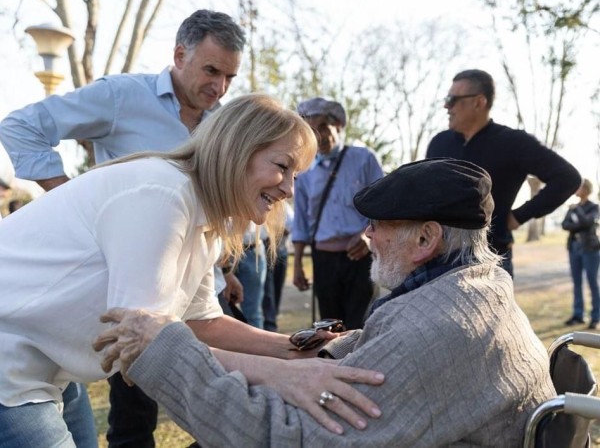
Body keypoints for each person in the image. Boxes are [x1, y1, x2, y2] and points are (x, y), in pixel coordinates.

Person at [0, 94, 386, 447]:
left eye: (296, 176)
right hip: (11, 366)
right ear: (237, 150)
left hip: (48, 369)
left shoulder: (204, 218)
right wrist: (279, 375)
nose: (289, 190)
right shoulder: (162, 195)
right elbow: (139, 343)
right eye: (283, 167)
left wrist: (292, 349)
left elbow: (201, 322)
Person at [94, 158, 556, 447]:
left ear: (425, 238)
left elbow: (289, 438)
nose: (367, 236)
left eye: (378, 224)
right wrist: (321, 351)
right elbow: (394, 348)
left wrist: (167, 353)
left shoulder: (435, 328)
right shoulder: (481, 285)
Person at [0, 9, 246, 446]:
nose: (219, 87)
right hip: (111, 294)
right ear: (179, 54)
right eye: (211, 70)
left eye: (229, 77)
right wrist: (69, 197)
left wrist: (224, 269)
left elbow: (205, 215)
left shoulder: (221, 126)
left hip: (169, 291)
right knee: (132, 416)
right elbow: (20, 127)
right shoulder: (121, 97)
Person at [426, 69, 581, 277]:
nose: (446, 106)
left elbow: (568, 178)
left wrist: (518, 216)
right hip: (436, 260)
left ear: (478, 102)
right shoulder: (438, 143)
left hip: (490, 262)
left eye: (452, 99)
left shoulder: (513, 142)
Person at [292, 97, 383, 329]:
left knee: (361, 324)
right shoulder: (303, 170)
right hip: (324, 260)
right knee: (329, 327)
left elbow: (383, 207)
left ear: (338, 126)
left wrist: (366, 236)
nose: (319, 135)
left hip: (360, 258)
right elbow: (301, 219)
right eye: (312, 130)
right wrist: (298, 264)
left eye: (323, 126)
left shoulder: (364, 159)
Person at [562, 178, 600, 329]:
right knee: (576, 283)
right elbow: (565, 225)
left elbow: (587, 222)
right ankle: (578, 315)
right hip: (574, 248)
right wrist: (577, 223)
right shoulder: (572, 207)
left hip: (590, 249)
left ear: (586, 189)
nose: (576, 190)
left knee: (592, 283)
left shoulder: (594, 207)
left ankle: (596, 317)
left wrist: (575, 211)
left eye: (579, 188)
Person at [263, 200, 294, 331]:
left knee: (277, 288)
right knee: (268, 292)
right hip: (266, 249)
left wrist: (277, 228)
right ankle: (270, 325)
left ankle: (272, 319)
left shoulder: (284, 207)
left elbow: (292, 226)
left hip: (280, 250)